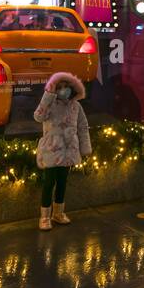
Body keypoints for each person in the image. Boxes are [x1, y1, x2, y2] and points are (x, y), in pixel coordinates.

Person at [32, 72, 91, 229]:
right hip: (51, 149)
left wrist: (84, 148)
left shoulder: (76, 106)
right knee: (49, 182)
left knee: (62, 182)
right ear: (54, 89)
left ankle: (58, 213)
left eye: (67, 87)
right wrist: (48, 95)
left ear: (72, 89)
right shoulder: (49, 104)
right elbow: (38, 116)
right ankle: (44, 217)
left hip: (68, 150)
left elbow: (83, 126)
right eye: (60, 87)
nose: (64, 90)